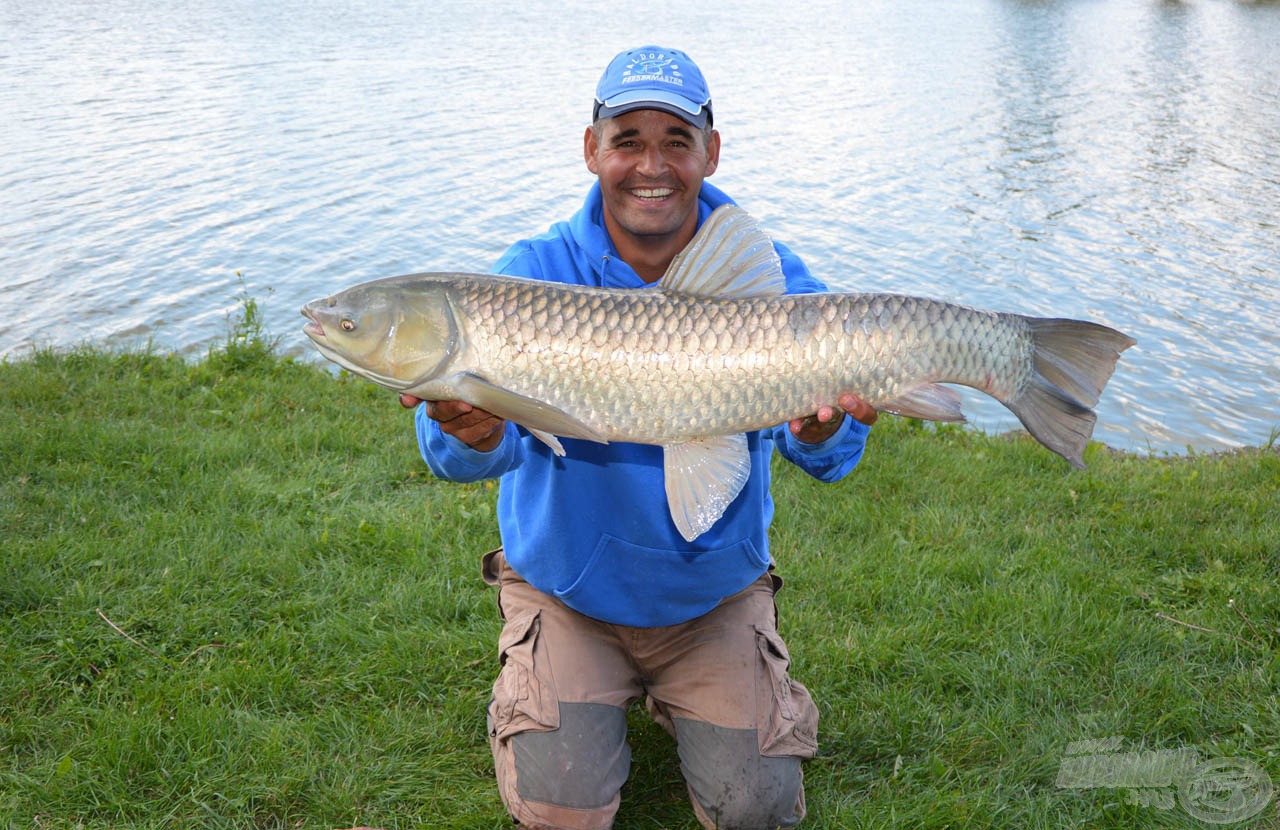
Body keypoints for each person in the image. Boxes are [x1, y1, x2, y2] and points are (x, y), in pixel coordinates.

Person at [400, 45, 877, 830]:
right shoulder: (531, 276)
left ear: (709, 153)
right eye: (627, 140)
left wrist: (825, 429)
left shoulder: (767, 276)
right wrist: (471, 428)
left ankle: (700, 683)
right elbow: (453, 453)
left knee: (757, 812)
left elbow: (827, 457)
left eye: (675, 142)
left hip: (710, 596)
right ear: (592, 150)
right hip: (570, 593)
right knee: (562, 811)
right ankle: (576, 680)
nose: (650, 165)